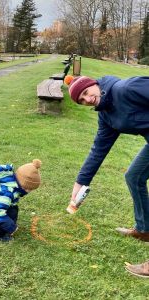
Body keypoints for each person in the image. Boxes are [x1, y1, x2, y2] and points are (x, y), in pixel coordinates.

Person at [67, 75, 149, 242]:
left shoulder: (127, 89)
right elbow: (98, 151)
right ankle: (144, 230)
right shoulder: (106, 115)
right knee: (134, 176)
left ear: (94, 84)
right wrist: (79, 184)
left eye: (86, 92)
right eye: (81, 100)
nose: (87, 99)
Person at [0, 159, 41, 242]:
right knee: (6, 215)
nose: (30, 191)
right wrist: (11, 227)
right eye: (30, 189)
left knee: (13, 210)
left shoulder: (14, 184)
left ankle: (6, 225)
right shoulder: (6, 193)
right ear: (24, 185)